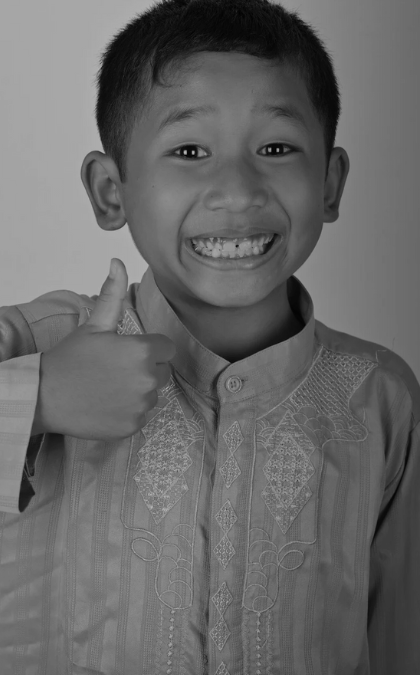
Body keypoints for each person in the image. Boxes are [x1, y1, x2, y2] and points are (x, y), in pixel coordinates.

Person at [0, 0, 419, 673]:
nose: (237, 189)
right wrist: (37, 396)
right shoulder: (32, 344)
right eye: (190, 151)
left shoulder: (381, 399)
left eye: (275, 148)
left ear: (331, 183)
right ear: (111, 191)